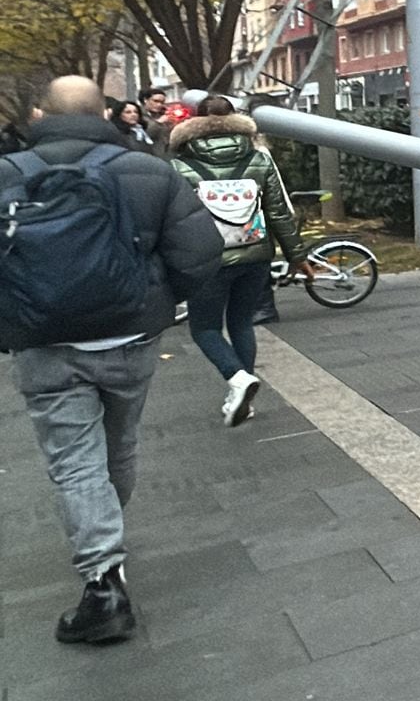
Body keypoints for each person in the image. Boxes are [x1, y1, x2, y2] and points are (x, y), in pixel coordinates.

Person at [2, 76, 222, 645]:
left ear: (36, 113)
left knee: (75, 461)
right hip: (129, 340)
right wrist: (156, 301)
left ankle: (103, 583)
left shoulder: (6, 176)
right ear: (104, 112)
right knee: (119, 443)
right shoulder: (149, 171)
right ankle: (105, 534)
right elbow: (200, 253)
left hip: (45, 345)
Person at [170, 96, 312, 427]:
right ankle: (243, 397)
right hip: (256, 255)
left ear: (193, 122)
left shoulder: (177, 165)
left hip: (207, 260)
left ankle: (236, 379)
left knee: (205, 328)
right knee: (241, 324)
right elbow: (277, 212)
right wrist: (297, 256)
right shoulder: (259, 158)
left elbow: (173, 219)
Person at [138, 88, 171, 158]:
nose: (159, 105)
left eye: (162, 102)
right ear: (145, 100)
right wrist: (158, 123)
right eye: (156, 101)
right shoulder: (138, 115)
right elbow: (144, 135)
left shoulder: (163, 115)